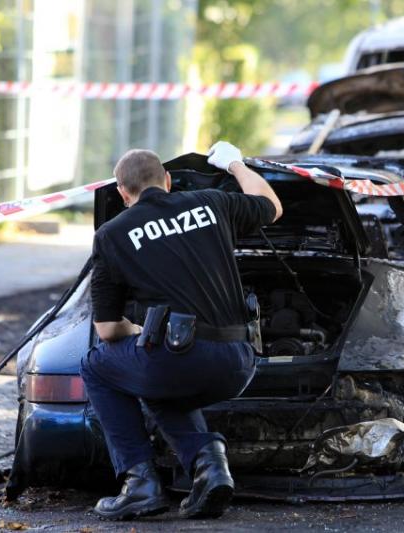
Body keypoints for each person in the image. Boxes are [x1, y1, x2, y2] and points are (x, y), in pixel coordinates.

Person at [79, 141, 282, 521]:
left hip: (180, 360)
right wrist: (235, 164)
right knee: (153, 372)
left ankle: (139, 482)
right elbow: (272, 205)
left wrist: (140, 329)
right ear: (169, 181)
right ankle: (210, 468)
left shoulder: (112, 234)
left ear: (122, 192)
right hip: (239, 363)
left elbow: (106, 329)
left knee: (98, 366)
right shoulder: (211, 202)